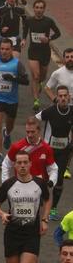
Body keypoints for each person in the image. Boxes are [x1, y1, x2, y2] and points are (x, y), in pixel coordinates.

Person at [0, 150, 51, 263]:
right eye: (19, 163)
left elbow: (47, 199)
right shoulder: (9, 184)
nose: (22, 165)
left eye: (25, 162)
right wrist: (2, 213)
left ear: (31, 164)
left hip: (31, 232)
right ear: (15, 166)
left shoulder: (39, 183)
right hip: (12, 231)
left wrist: (44, 219)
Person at [0, 38, 30, 165]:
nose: (4, 51)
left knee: (10, 125)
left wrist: (13, 78)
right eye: (2, 49)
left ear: (12, 50)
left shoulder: (17, 64)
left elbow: (26, 81)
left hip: (12, 100)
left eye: (7, 49)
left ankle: (7, 133)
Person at [37, 87, 73, 219]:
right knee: (44, 177)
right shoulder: (50, 111)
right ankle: (41, 199)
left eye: (65, 96)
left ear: (69, 97)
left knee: (59, 180)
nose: (63, 98)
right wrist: (38, 139)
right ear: (57, 97)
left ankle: (53, 209)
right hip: (48, 150)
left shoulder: (71, 111)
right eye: (60, 96)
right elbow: (35, 119)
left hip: (63, 151)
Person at [24, 0, 61, 110]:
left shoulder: (48, 21)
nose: (39, 10)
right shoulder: (29, 20)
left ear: (44, 9)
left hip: (45, 52)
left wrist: (48, 38)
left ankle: (40, 82)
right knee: (35, 76)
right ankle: (36, 100)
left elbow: (58, 33)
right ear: (34, 8)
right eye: (37, 7)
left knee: (42, 76)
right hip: (33, 51)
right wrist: (23, 40)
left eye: (41, 8)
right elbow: (25, 31)